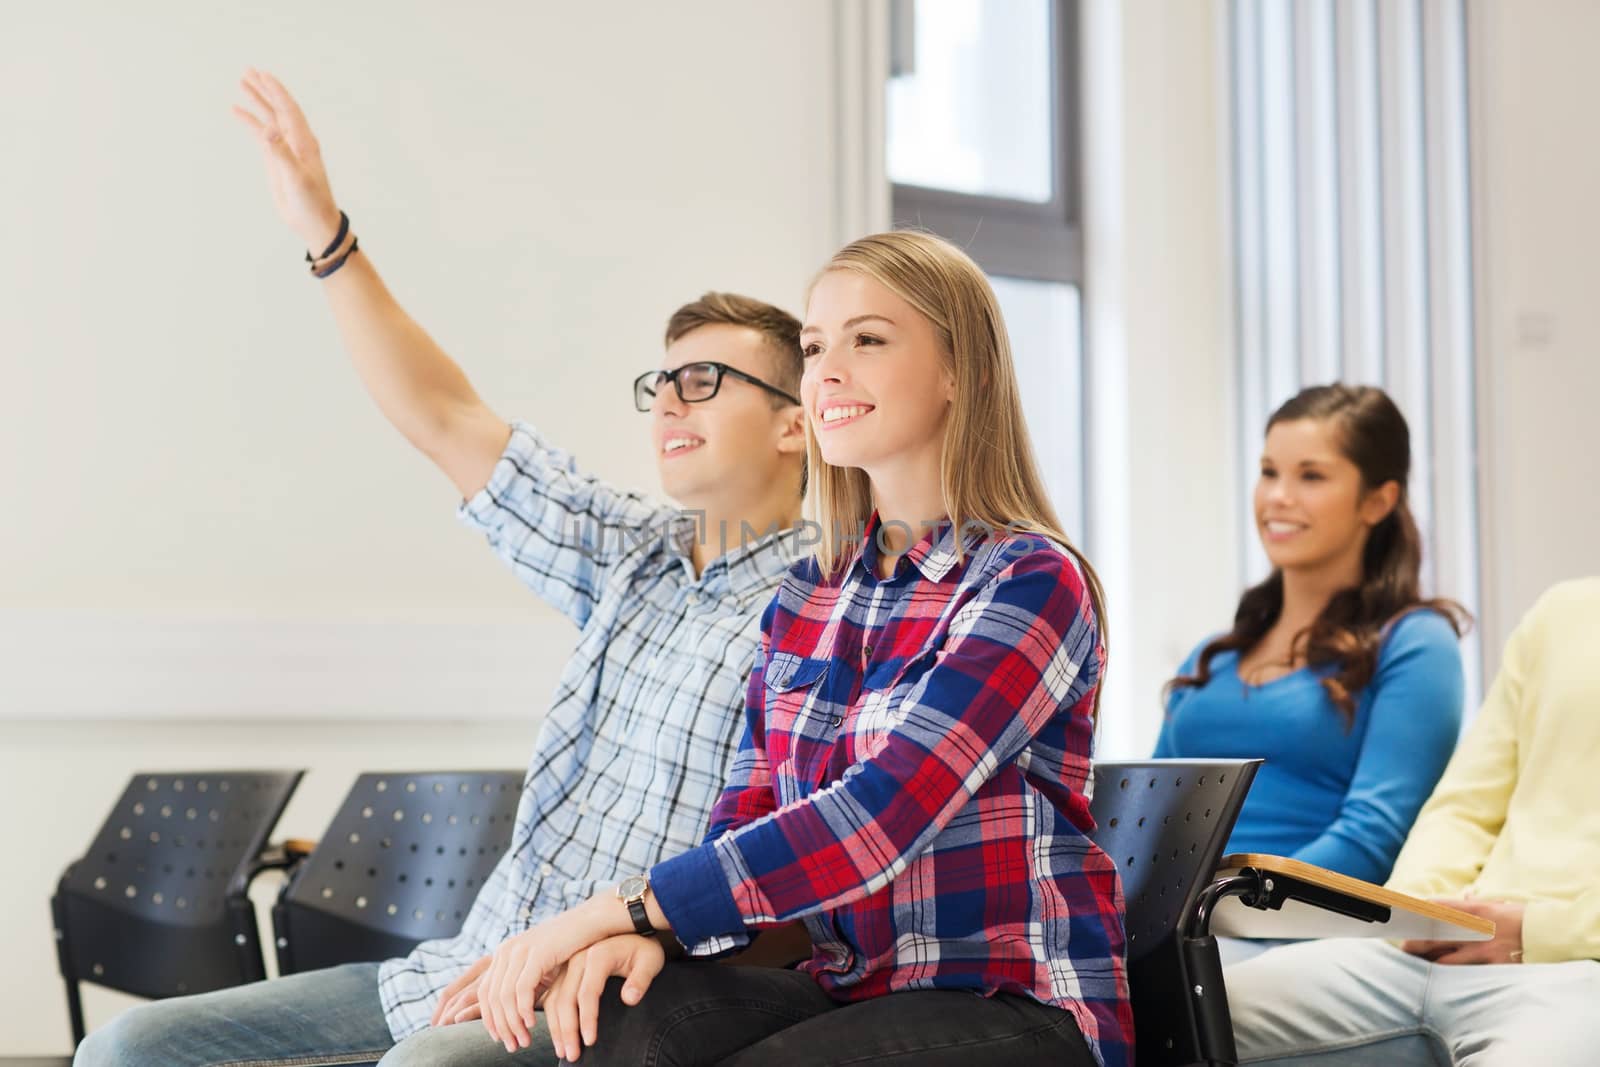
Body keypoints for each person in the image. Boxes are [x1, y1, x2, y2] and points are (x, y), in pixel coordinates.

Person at [76, 69, 808, 1067]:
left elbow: (798, 876)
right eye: (660, 382)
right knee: (131, 1048)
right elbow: (445, 417)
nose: (668, 402)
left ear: (795, 422)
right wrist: (326, 234)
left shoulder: (826, 603)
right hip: (459, 967)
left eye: (703, 381)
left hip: (613, 995)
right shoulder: (628, 553)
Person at [460, 231, 1135, 1067]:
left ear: (967, 372)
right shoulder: (807, 596)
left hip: (1012, 1004)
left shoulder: (1027, 579)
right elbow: (745, 814)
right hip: (851, 986)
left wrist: (625, 910)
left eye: (869, 339)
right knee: (631, 1016)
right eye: (816, 348)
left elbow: (877, 819)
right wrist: (657, 943)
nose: (828, 372)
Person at [1227, 578, 1600, 1066]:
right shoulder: (1563, 611)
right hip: (1439, 945)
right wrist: (1419, 912)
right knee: (1177, 1018)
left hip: (1575, 967)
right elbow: (1464, 807)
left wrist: (1537, 930)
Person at [1156, 385, 1467, 902]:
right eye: (1269, 471)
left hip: (1286, 934)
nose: (1278, 496)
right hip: (1184, 931)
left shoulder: (1415, 644)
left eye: (1312, 476)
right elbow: (1149, 818)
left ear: (1378, 500)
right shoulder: (1214, 656)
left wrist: (1221, 909)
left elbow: (1372, 840)